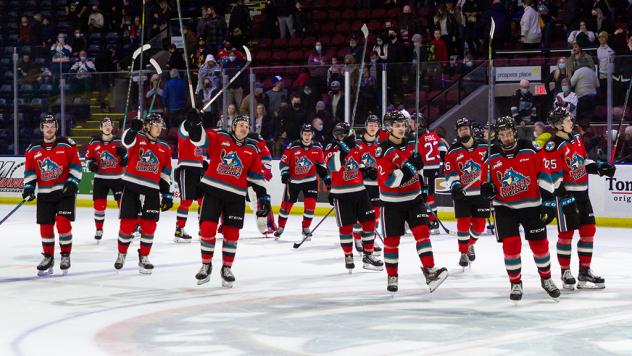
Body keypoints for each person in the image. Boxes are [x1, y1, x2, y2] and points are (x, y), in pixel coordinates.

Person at [479, 115, 560, 302]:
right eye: (502, 134)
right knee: (511, 246)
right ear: (497, 136)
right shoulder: (491, 155)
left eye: (508, 133)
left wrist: (548, 201)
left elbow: (544, 175)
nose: (506, 138)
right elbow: (485, 183)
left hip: (531, 206)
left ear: (514, 132)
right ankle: (515, 282)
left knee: (540, 246)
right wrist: (487, 190)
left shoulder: (530, 148)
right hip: (504, 208)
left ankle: (546, 279)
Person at [187, 114, 271, 287]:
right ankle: (206, 265)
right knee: (207, 228)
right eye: (240, 125)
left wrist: (263, 196)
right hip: (213, 191)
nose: (243, 128)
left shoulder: (253, 148)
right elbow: (199, 140)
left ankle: (226, 268)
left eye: (246, 126)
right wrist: (195, 124)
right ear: (233, 127)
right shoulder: (220, 137)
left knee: (232, 234)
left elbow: (256, 175)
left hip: (236, 196)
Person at [376, 111, 448, 293]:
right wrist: (410, 168)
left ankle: (430, 272)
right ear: (389, 128)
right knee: (391, 242)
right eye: (397, 125)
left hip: (414, 199)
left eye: (403, 125)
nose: (401, 129)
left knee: (423, 234)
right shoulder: (383, 149)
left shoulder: (412, 144)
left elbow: (420, 167)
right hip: (392, 203)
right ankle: (392, 275)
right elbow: (390, 181)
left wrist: (418, 168)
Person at [543, 107, 616, 290]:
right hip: (567, 195)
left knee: (589, 230)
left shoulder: (576, 138)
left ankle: (584, 271)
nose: (571, 122)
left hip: (583, 193)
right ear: (559, 124)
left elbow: (582, 162)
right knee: (566, 235)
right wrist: (561, 195)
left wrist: (600, 167)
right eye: (567, 120)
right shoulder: (553, 145)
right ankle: (565, 271)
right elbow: (552, 175)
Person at [23, 115, 82, 276]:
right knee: (46, 227)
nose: (49, 128)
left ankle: (65, 256)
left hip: (64, 193)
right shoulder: (32, 149)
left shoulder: (67, 145)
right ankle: (48, 256)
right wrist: (29, 187)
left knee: (63, 224)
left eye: (52, 125)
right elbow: (30, 171)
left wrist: (72, 182)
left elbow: (77, 165)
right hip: (44, 193)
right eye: (46, 126)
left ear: (56, 128)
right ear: (42, 128)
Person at [114, 114, 173, 274]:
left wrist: (167, 194)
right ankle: (122, 253)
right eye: (156, 125)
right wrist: (133, 129)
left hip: (152, 190)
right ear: (147, 126)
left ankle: (144, 256)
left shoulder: (165, 148)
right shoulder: (137, 138)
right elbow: (126, 141)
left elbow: (165, 174)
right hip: (132, 186)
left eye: (161, 126)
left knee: (149, 226)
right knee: (127, 225)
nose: (159, 129)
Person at [325, 122, 384, 272]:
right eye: (338, 135)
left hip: (360, 191)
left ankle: (368, 255)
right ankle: (348, 255)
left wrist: (368, 170)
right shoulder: (331, 148)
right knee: (346, 228)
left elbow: (366, 163)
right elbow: (333, 167)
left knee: (370, 222)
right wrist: (342, 151)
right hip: (341, 194)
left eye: (343, 134)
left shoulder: (357, 147)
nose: (341, 137)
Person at [444, 117, 490, 268]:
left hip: (481, 194)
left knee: (479, 227)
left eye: (465, 128)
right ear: (457, 132)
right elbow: (449, 171)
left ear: (470, 129)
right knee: (463, 224)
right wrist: (455, 185)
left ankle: (470, 243)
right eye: (460, 129)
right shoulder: (453, 151)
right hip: (462, 195)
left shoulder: (485, 147)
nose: (463, 131)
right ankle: (463, 252)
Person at [275, 124, 330, 240]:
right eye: (305, 134)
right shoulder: (293, 146)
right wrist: (285, 173)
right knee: (286, 206)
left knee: (310, 206)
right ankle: (280, 227)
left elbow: (321, 165)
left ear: (312, 135)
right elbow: (283, 162)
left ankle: (306, 228)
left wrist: (326, 178)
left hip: (310, 181)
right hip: (293, 181)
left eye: (309, 134)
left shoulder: (317, 147)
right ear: (301, 134)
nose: (307, 136)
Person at [85, 117, 127, 242]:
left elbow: (128, 157)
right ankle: (99, 229)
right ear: (100, 128)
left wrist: (124, 155)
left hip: (118, 178)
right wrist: (91, 164)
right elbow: (88, 158)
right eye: (105, 125)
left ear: (112, 127)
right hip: (100, 178)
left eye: (109, 124)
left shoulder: (120, 141)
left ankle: (126, 228)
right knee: (99, 205)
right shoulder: (94, 142)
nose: (107, 126)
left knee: (123, 205)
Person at [173, 110, 209, 243]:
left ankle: (203, 229)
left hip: (199, 169)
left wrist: (204, 161)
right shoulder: (185, 126)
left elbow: (203, 148)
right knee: (186, 202)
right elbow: (184, 130)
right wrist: (190, 121)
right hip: (185, 168)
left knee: (202, 201)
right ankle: (179, 229)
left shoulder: (201, 130)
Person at [410, 113, 448, 235]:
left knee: (426, 196)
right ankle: (432, 221)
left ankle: (432, 221)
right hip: (435, 169)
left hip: (424, 169)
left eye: (412, 122)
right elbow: (444, 151)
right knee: (429, 195)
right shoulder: (434, 135)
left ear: (418, 123)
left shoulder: (416, 137)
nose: (410, 124)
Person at [351, 115, 383, 255]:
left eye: (375, 125)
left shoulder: (380, 146)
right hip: (360, 185)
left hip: (375, 186)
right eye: (370, 124)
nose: (372, 127)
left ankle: (370, 238)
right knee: (360, 216)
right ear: (365, 126)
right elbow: (350, 162)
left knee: (375, 216)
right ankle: (357, 239)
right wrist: (362, 169)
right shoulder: (356, 143)